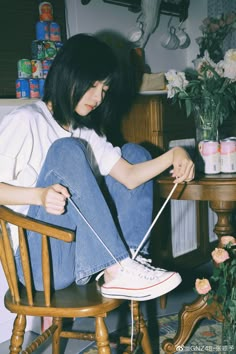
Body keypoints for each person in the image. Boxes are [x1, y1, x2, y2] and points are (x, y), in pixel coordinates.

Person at [0, 33, 194, 301]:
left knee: (134, 153)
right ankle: (118, 266)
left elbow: (129, 176)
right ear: (69, 75)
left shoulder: (86, 132)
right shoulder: (26, 121)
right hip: (38, 263)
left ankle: (131, 259)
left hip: (80, 255)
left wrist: (175, 154)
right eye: (92, 85)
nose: (98, 97)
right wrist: (39, 196)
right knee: (67, 149)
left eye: (104, 89)